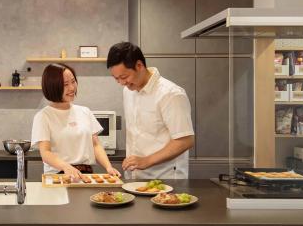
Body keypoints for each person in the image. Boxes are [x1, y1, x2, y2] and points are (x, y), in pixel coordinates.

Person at [106, 42, 195, 179]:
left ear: (139, 65)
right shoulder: (128, 91)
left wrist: (146, 161)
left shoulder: (171, 94)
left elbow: (185, 140)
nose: (122, 83)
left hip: (165, 178)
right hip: (134, 176)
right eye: (116, 79)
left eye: (124, 77)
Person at [30, 63, 120, 180]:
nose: (72, 88)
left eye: (73, 81)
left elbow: (95, 145)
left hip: (86, 175)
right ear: (52, 87)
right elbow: (45, 153)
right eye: (65, 84)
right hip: (58, 176)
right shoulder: (43, 116)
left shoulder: (85, 111)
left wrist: (108, 167)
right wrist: (66, 167)